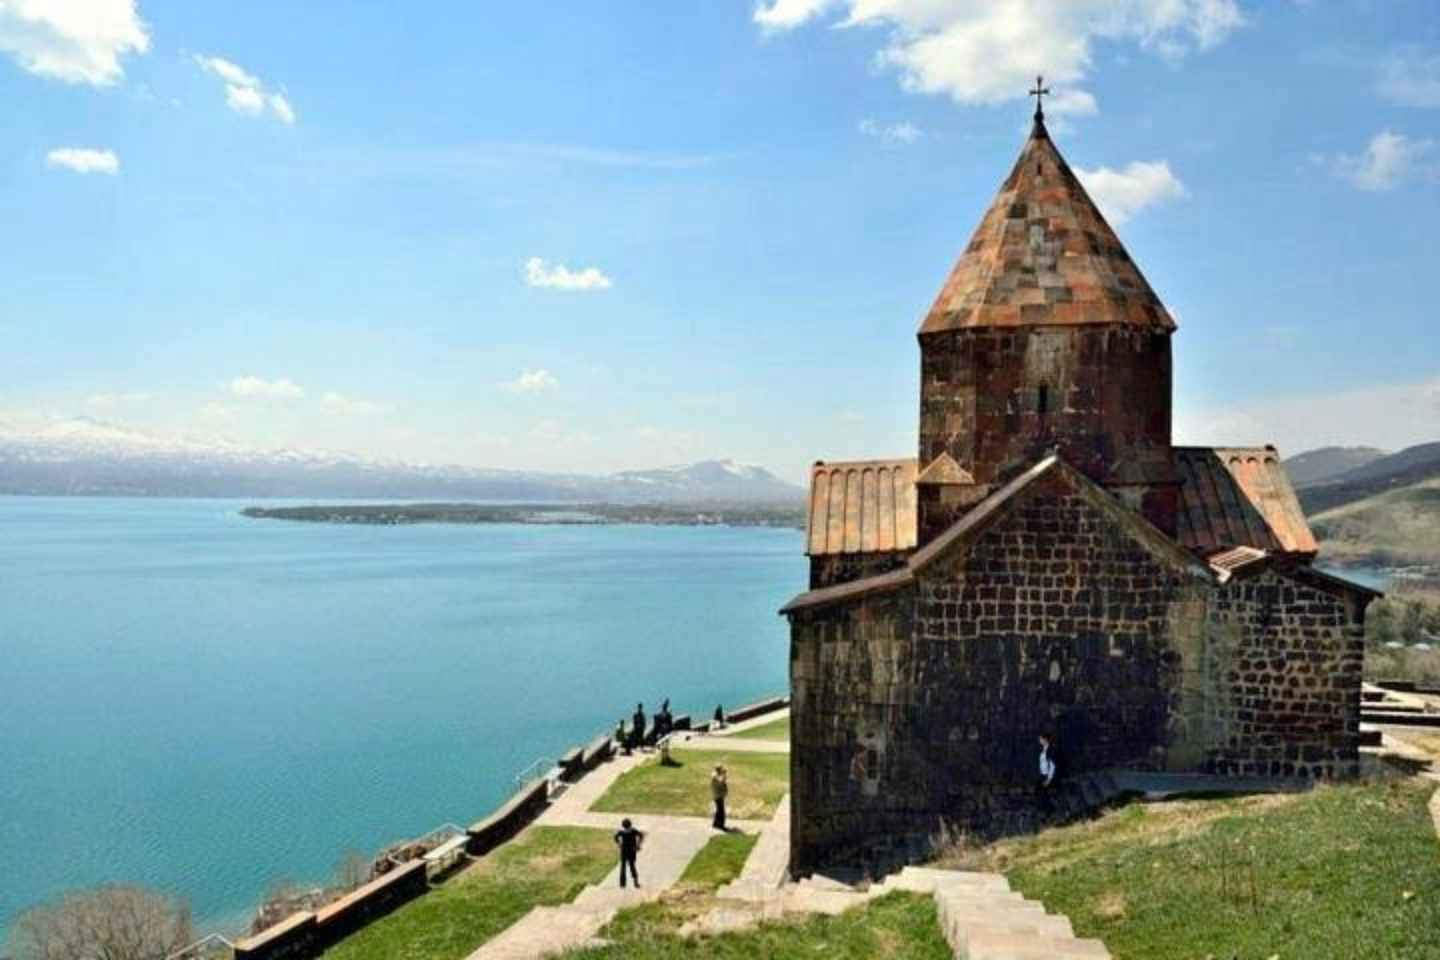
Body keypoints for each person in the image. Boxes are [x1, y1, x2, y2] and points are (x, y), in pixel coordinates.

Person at [614, 818, 644, 888]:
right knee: (632, 866)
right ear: (630, 824)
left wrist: (619, 844)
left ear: (623, 825)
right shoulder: (633, 831)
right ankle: (636, 883)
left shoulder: (621, 832)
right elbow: (641, 835)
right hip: (632, 850)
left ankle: (622, 884)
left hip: (624, 851)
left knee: (623, 866)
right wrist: (638, 844)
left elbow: (615, 837)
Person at [1036, 734, 1057, 815]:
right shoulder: (1044, 750)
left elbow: (1052, 765)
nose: (1040, 741)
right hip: (1043, 774)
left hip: (1048, 776)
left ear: (1045, 739)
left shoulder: (1050, 749)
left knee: (1041, 791)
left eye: (1041, 739)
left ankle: (1049, 810)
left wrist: (1049, 779)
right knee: (1039, 790)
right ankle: (1046, 809)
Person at [711, 764, 729, 831]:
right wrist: (724, 774)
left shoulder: (717, 775)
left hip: (719, 795)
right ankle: (720, 825)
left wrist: (724, 775)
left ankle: (716, 823)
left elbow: (722, 781)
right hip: (718, 796)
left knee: (719, 810)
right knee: (721, 811)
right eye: (721, 769)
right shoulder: (715, 775)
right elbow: (721, 781)